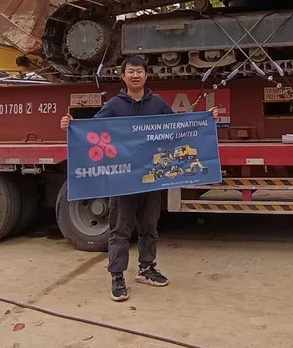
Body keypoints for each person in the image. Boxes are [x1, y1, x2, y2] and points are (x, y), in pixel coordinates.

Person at [59, 55, 218, 302]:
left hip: (152, 178)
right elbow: (92, 132)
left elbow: (177, 128)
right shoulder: (114, 106)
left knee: (149, 226)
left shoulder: (158, 104)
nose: (135, 75)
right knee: (120, 229)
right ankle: (117, 276)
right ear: (123, 76)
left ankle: (147, 268)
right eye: (130, 71)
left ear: (146, 75)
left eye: (139, 71)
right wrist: (70, 125)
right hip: (123, 180)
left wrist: (206, 119)